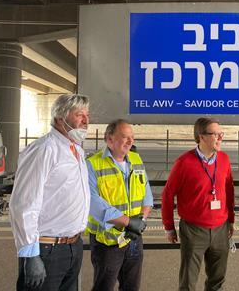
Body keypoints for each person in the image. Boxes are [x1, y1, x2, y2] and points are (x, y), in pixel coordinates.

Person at [9, 94, 90, 290]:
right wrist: (30, 254)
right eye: (80, 115)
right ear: (60, 119)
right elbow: (24, 204)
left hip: (73, 246)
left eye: (87, 115)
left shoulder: (76, 150)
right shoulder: (44, 150)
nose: (86, 121)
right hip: (47, 250)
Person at [162, 117, 235, 291]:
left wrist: (231, 221)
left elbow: (229, 191)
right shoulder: (184, 163)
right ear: (201, 136)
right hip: (193, 230)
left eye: (221, 134)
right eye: (215, 134)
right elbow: (167, 195)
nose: (220, 138)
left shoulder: (224, 159)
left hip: (220, 228)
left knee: (217, 281)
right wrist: (169, 227)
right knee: (188, 282)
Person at [86, 119, 153, 291]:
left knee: (131, 287)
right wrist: (129, 223)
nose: (131, 141)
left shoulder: (136, 159)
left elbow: (147, 196)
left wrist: (140, 221)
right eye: (125, 137)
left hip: (134, 238)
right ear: (109, 139)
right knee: (104, 287)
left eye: (132, 137)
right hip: (107, 242)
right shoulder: (92, 164)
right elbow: (93, 202)